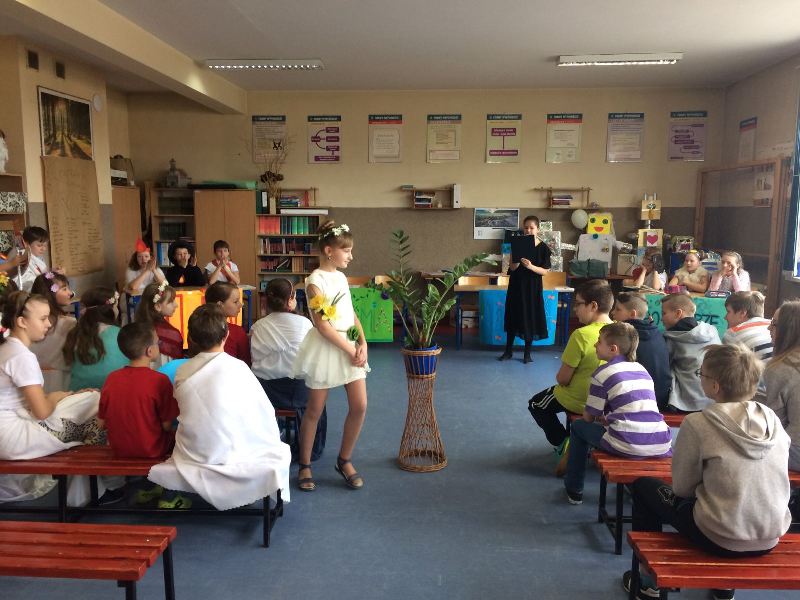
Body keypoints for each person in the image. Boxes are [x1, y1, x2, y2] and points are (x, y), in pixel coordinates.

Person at [623, 344, 791, 600]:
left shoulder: (698, 423)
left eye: (701, 373)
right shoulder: (773, 421)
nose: (699, 377)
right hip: (771, 535)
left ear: (715, 386)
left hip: (719, 538)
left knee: (644, 486)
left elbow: (682, 488)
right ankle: (724, 589)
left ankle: (648, 583)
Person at [148, 304, 291, 511]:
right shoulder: (239, 367)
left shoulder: (182, 371)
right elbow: (263, 412)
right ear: (226, 335)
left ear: (191, 339)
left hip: (194, 450)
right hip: (234, 450)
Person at [0, 291, 104, 503]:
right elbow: (42, 411)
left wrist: (67, 396)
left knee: (86, 400)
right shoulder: (21, 356)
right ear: (22, 322)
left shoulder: (7, 348)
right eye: (43, 319)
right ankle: (90, 492)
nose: (48, 324)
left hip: (8, 431)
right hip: (14, 437)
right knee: (97, 401)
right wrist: (58, 396)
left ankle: (84, 491)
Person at [293, 221, 369, 492]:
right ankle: (304, 464)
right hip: (327, 347)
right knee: (314, 410)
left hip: (349, 344)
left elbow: (351, 315)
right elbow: (323, 325)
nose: (351, 256)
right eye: (346, 251)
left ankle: (344, 459)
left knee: (360, 406)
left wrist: (362, 342)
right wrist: (350, 349)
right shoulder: (314, 282)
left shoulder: (341, 278)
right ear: (328, 251)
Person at [564, 322, 671, 505]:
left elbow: (588, 417)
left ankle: (574, 489)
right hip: (661, 441)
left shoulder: (602, 373)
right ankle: (634, 486)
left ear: (613, 349)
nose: (595, 345)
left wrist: (600, 417)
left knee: (578, 427)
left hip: (627, 442)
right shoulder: (642, 369)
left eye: (599, 342)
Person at [528, 279, 613, 476]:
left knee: (536, 404)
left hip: (579, 401)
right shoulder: (620, 331)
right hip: (607, 403)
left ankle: (564, 442)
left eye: (578, 304)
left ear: (593, 306)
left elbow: (563, 379)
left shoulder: (581, 335)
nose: (575, 309)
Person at [98, 322, 183, 507]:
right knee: (181, 438)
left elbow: (101, 423)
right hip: (152, 449)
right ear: (150, 351)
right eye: (158, 343)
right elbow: (166, 425)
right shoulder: (160, 380)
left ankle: (147, 487)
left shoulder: (112, 378)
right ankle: (169, 496)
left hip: (119, 449)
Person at [251, 278, 326, 461]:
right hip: (301, 390)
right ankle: (309, 446)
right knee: (319, 394)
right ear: (291, 299)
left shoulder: (258, 326)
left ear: (266, 300)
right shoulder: (305, 323)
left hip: (268, 391)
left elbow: (255, 358)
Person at [498, 216, 551, 364]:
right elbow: (512, 267)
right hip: (516, 286)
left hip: (532, 289)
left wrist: (530, 266)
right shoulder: (517, 244)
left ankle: (527, 354)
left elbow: (545, 271)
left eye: (531, 228)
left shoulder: (543, 247)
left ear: (537, 229)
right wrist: (517, 259)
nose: (528, 230)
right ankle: (508, 351)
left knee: (530, 317)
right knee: (513, 317)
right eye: (526, 228)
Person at [610, 292, 671, 409]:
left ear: (632, 314)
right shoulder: (657, 332)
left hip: (641, 402)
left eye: (618, 309)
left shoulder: (625, 338)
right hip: (662, 399)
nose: (613, 313)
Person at [661, 293, 721, 412]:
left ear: (678, 313)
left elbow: (663, 368)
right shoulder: (711, 331)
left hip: (688, 403)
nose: (662, 318)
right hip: (715, 398)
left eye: (664, 313)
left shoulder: (671, 339)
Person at [63, 287, 128, 391]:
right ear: (109, 309)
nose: (117, 309)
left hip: (79, 393)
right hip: (112, 392)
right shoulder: (119, 333)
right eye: (116, 306)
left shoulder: (74, 332)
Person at [763, 300, 800, 471]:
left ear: (789, 330)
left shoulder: (780, 368)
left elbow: (775, 423)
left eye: (774, 324)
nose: (768, 328)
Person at [29, 272, 76, 393]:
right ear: (50, 293)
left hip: (32, 380)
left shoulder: (28, 322)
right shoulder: (69, 323)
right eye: (64, 289)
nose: (70, 293)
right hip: (61, 381)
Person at [135, 281, 183, 365]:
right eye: (171, 301)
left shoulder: (138, 327)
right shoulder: (172, 333)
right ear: (158, 306)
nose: (176, 305)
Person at [1, 226, 62, 292]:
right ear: (26, 243)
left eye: (45, 245)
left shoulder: (38, 258)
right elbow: (26, 280)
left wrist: (52, 272)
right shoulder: (21, 255)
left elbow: (41, 274)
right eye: (39, 245)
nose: (43, 249)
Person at [204, 282, 250, 365]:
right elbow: (246, 363)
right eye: (235, 302)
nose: (241, 305)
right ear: (220, 305)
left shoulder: (196, 328)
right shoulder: (237, 332)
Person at [722, 291, 772, 360]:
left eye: (728, 311)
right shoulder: (772, 325)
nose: (725, 317)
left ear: (742, 313)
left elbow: (726, 364)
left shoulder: (732, 334)